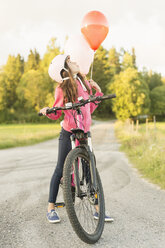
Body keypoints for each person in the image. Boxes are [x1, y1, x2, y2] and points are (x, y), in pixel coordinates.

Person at [40, 54, 114, 223]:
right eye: (70, 61)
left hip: (85, 133)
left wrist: (98, 92)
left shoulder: (83, 83)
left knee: (89, 171)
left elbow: (89, 108)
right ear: (64, 70)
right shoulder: (62, 88)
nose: (75, 61)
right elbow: (57, 111)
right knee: (60, 169)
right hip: (69, 132)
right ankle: (51, 208)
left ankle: (97, 209)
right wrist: (48, 111)